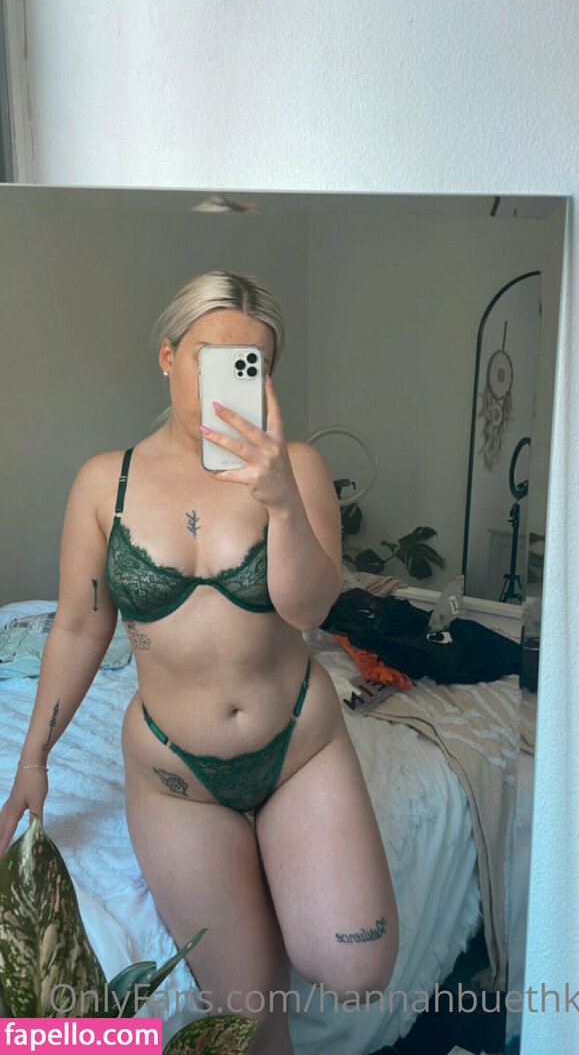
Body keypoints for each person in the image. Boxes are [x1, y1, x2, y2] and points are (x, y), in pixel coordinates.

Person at [0, 271, 398, 1053]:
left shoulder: (299, 468)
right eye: (209, 358)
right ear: (167, 357)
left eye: (251, 365)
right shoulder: (104, 483)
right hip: (176, 776)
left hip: (299, 751)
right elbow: (79, 627)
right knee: (250, 1016)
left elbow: (310, 610)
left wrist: (280, 499)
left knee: (358, 971)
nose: (227, 383)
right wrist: (33, 760)